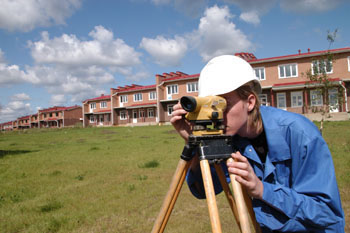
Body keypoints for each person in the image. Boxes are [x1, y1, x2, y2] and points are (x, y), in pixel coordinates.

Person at [170, 55, 345, 232]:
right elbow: (203, 190)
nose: (216, 114)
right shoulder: (231, 137)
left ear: (250, 102)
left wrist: (262, 189)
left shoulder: (299, 133)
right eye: (209, 106)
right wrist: (194, 142)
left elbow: (327, 214)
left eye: (222, 104)